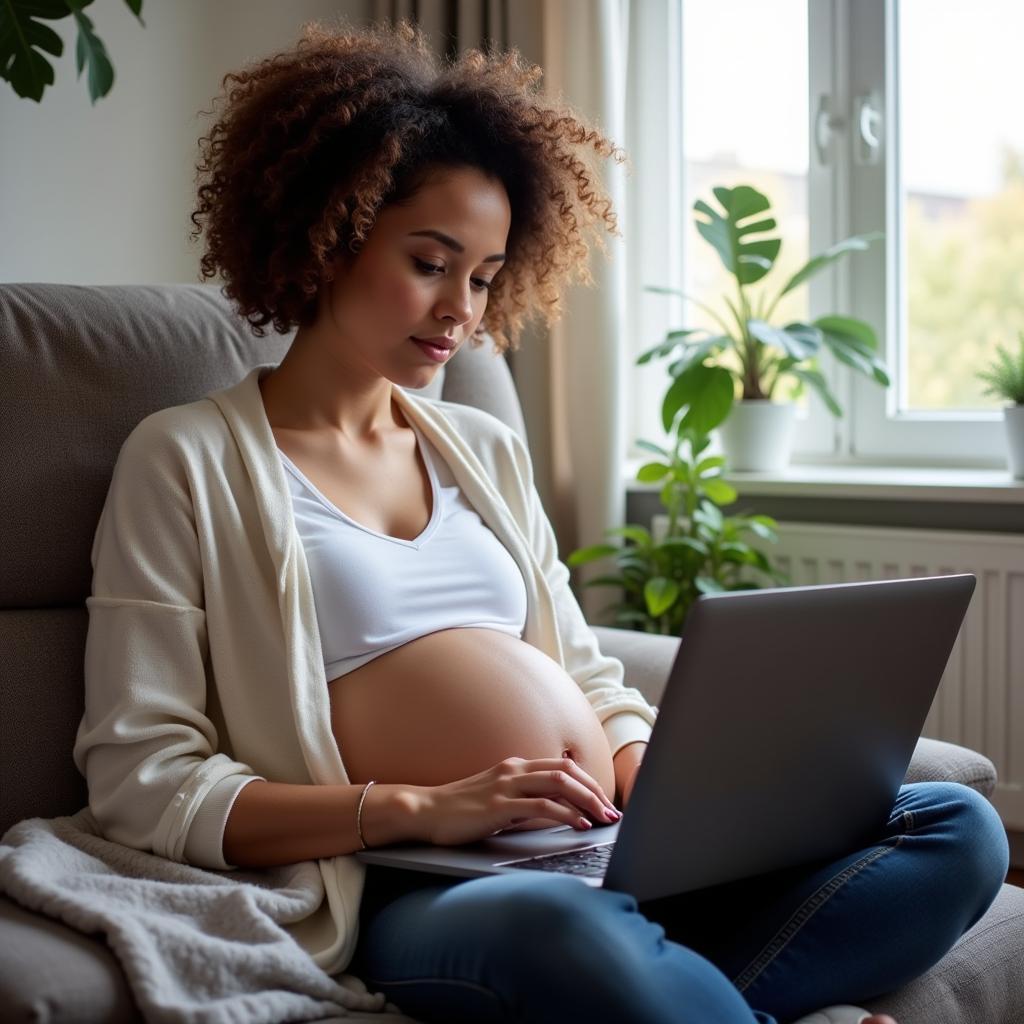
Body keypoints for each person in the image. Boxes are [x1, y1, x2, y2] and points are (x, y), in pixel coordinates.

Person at [74, 19, 1009, 1024]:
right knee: (559, 932)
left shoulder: (482, 445)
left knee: (956, 826)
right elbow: (144, 777)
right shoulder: (187, 459)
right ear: (327, 231)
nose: (461, 311)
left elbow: (584, 671)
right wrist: (422, 809)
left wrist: (652, 774)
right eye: (430, 262)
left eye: (482, 276)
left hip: (607, 848)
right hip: (424, 884)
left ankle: (673, 987)